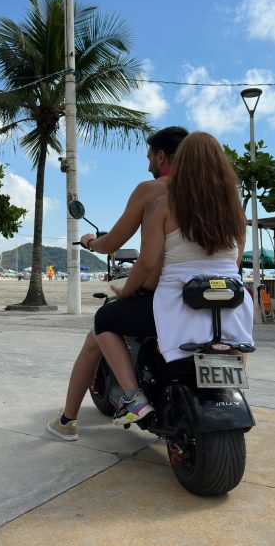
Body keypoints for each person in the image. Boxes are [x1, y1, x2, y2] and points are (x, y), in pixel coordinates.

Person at [93, 131, 252, 427]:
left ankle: (132, 396)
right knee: (236, 342)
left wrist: (126, 291)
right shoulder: (234, 211)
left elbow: (148, 262)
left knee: (104, 320)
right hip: (230, 309)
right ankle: (232, 385)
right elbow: (235, 261)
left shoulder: (166, 204)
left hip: (177, 307)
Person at [47, 125, 189, 441]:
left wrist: (89, 243)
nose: (148, 164)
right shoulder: (203, 193)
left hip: (156, 294)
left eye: (150, 156)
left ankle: (69, 420)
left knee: (98, 331)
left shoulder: (151, 191)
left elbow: (113, 243)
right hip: (199, 294)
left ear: (162, 156)